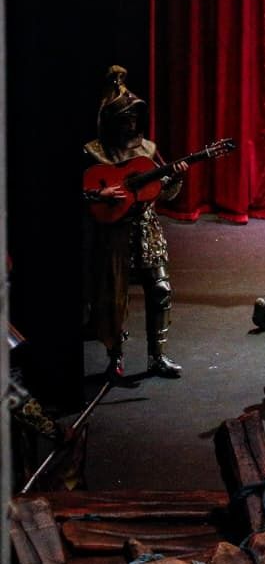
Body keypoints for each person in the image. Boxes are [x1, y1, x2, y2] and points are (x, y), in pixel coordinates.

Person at [82, 67, 187, 380]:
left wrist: (175, 177)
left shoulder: (148, 149)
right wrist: (99, 193)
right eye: (124, 118)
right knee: (113, 300)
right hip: (113, 235)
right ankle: (115, 357)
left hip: (146, 228)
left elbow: (162, 191)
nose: (131, 123)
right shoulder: (94, 152)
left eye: (133, 117)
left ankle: (157, 356)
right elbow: (79, 190)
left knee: (161, 289)